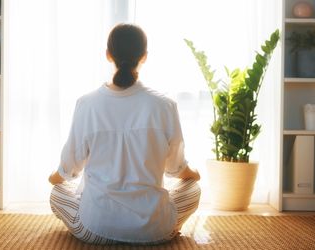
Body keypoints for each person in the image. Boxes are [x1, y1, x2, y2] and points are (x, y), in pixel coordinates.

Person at [48, 23, 201, 245]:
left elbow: (68, 169)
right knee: (193, 189)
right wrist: (193, 174)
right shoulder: (165, 105)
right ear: (145, 57)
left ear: (108, 55)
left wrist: (54, 179)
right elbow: (175, 169)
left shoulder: (87, 104)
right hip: (155, 232)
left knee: (58, 193)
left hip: (94, 228)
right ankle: (159, 223)